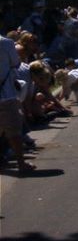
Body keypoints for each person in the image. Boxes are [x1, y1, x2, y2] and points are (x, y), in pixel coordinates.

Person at [0, 34, 35, 173]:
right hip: (5, 94)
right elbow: (16, 64)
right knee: (14, 129)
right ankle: (21, 163)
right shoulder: (6, 43)